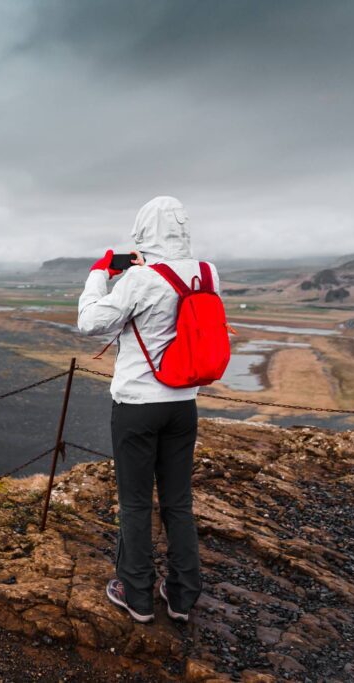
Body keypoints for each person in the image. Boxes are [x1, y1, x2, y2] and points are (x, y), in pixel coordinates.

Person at [76, 196, 219, 624]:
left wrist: (99, 275)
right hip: (183, 406)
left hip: (138, 406)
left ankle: (136, 594)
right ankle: (181, 595)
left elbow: (90, 322)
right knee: (178, 502)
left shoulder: (141, 280)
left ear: (142, 231)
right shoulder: (209, 273)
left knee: (136, 503)